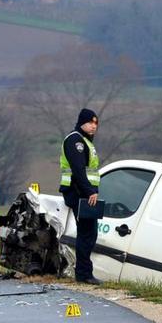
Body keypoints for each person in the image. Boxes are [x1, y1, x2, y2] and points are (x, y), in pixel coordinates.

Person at [60, 108, 102, 284]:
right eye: (90, 122)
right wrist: (89, 191)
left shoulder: (85, 141)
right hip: (78, 192)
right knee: (87, 233)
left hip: (84, 192)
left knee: (89, 233)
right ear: (81, 122)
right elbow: (78, 170)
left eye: (96, 123)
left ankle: (84, 272)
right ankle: (84, 274)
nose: (94, 126)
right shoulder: (75, 140)